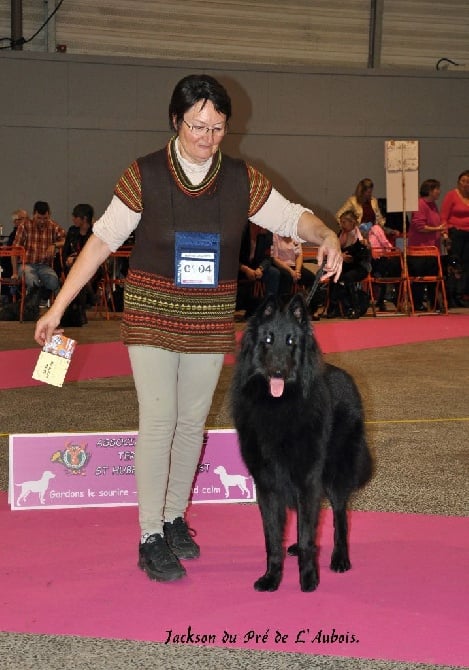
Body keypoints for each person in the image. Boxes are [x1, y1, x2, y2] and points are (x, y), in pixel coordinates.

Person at [34, 74, 342, 584]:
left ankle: (175, 518)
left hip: (209, 318)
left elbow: (292, 218)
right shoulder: (145, 175)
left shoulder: (242, 179)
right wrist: (57, 308)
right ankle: (149, 534)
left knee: (191, 423)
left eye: (218, 128)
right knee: (159, 419)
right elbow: (101, 242)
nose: (208, 137)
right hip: (152, 312)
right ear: (176, 121)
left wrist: (326, 232)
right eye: (198, 125)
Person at [11, 201, 65, 303]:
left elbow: (65, 240)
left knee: (54, 282)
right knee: (32, 282)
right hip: (26, 264)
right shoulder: (24, 226)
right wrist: (14, 273)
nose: (42, 221)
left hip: (45, 265)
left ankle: (61, 308)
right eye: (39, 218)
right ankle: (31, 307)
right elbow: (15, 250)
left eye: (45, 218)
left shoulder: (53, 226)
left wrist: (54, 245)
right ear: (33, 214)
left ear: (49, 215)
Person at [408, 179, 446, 311]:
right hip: (420, 250)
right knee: (420, 279)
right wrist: (437, 229)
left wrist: (442, 233)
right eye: (437, 189)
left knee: (433, 280)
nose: (439, 191)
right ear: (430, 190)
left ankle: (434, 303)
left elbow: (436, 223)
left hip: (432, 249)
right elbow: (420, 227)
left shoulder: (433, 205)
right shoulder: (420, 204)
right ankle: (418, 303)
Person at [327, 210, 370, 319]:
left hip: (360, 267)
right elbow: (334, 250)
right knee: (334, 277)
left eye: (344, 222)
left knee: (348, 278)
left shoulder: (361, 237)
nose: (341, 225)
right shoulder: (340, 234)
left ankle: (355, 308)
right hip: (345, 266)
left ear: (352, 223)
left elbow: (363, 257)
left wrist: (349, 259)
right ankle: (333, 308)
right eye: (340, 222)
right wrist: (341, 256)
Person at [270, 233, 323, 317]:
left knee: (313, 279)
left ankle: (313, 310)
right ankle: (283, 310)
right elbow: (275, 259)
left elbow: (299, 255)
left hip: (296, 266)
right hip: (281, 266)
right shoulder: (274, 236)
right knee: (287, 277)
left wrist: (297, 271)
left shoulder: (295, 237)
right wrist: (291, 271)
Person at [61, 203, 96, 324]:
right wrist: (68, 259)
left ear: (84, 219)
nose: (73, 219)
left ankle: (79, 311)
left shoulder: (95, 233)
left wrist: (76, 259)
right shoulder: (72, 231)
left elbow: (94, 254)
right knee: (78, 275)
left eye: (76, 216)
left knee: (79, 276)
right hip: (72, 268)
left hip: (93, 268)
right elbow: (65, 252)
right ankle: (89, 299)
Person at [236, 222, 280, 317]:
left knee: (274, 273)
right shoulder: (240, 231)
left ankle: (268, 308)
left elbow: (269, 258)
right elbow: (231, 257)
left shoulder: (268, 234)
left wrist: (261, 268)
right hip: (239, 267)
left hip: (257, 267)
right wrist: (245, 269)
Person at [440, 170, 469, 305]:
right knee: (454, 265)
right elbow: (444, 216)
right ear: (458, 182)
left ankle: (461, 294)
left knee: (466, 265)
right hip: (455, 233)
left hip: (468, 235)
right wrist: (445, 234)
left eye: (467, 182)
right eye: (462, 181)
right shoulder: (451, 195)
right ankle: (451, 295)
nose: (465, 184)